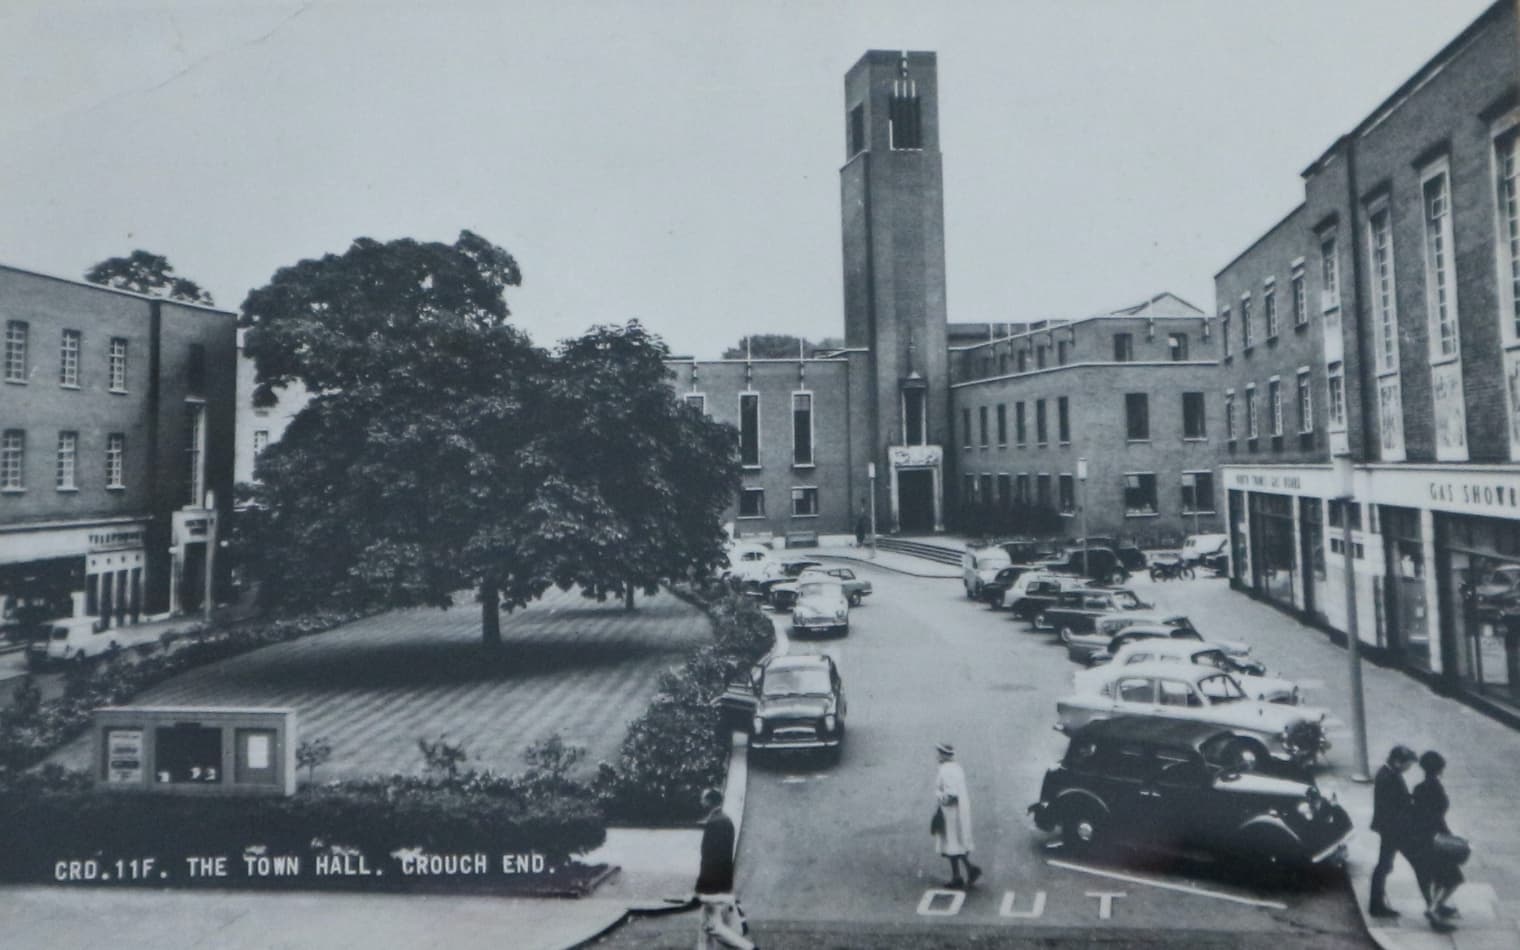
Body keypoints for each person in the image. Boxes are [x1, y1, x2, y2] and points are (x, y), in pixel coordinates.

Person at [694, 787, 755, 950]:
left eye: (703, 799)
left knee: (712, 925)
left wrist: (701, 884)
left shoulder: (715, 823)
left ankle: (748, 948)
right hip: (722, 877)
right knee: (706, 922)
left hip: (712, 881)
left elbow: (709, 857)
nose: (701, 801)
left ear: (709, 801)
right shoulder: (724, 820)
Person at [1411, 750, 1463, 931]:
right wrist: (1449, 835)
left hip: (1424, 839)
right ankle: (1433, 909)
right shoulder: (1436, 788)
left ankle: (1438, 906)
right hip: (1436, 839)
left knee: (1439, 877)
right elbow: (1437, 817)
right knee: (1454, 878)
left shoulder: (1419, 788)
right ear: (1439, 769)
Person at [1368, 744, 1418, 918]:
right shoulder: (1388, 778)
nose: (1408, 768)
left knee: (1385, 865)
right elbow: (1394, 807)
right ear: (1397, 761)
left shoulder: (1390, 773)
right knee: (1384, 865)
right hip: (1392, 829)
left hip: (1390, 828)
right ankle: (1376, 904)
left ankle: (1377, 902)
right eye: (1407, 765)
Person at [932, 742, 982, 888]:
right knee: (955, 844)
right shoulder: (956, 768)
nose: (937, 756)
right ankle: (965, 872)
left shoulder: (946, 770)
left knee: (952, 844)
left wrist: (940, 798)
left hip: (951, 814)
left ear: (945, 755)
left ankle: (960, 875)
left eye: (939, 753)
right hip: (958, 812)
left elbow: (951, 795)